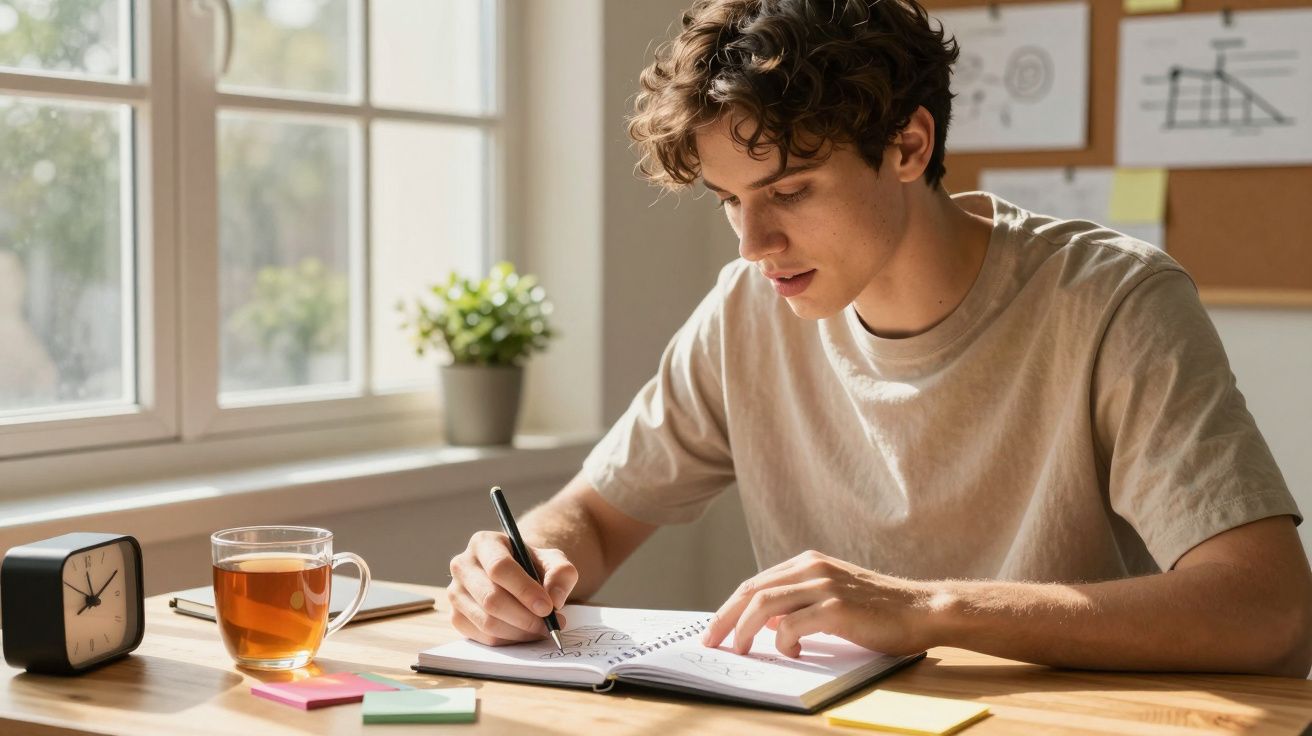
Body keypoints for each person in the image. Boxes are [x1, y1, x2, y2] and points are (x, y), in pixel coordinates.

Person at [448, 0, 1311, 676]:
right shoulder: (746, 310)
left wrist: (926, 610)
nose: (753, 244)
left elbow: (1272, 611)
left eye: (789, 192)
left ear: (908, 145)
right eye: (730, 201)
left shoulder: (1114, 301)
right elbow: (594, 520)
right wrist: (528, 564)